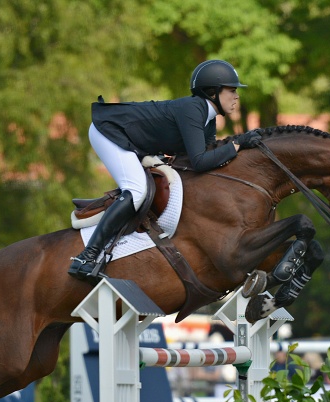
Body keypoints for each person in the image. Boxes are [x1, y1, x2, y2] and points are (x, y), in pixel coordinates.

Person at [68, 59, 261, 281]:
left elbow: (206, 156)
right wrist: (237, 145)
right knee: (137, 190)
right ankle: (87, 256)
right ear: (213, 92)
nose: (236, 96)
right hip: (109, 131)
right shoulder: (193, 109)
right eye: (232, 90)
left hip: (132, 140)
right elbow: (200, 161)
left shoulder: (207, 119)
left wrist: (240, 146)